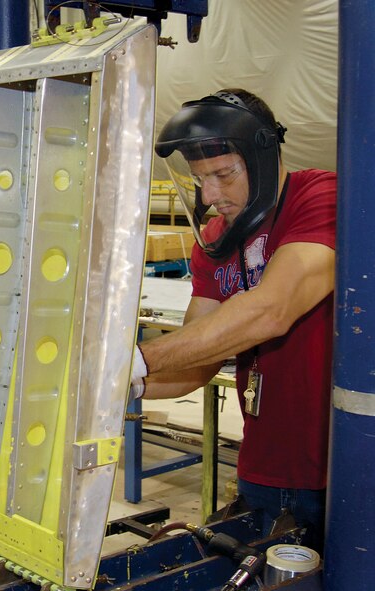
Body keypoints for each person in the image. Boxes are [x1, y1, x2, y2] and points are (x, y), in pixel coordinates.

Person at [130, 89, 336, 550]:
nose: (211, 194)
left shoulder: (318, 195)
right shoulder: (217, 239)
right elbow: (199, 357)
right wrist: (124, 385)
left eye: (224, 175)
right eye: (200, 178)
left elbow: (272, 308)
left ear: (262, 160)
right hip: (261, 467)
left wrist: (140, 358)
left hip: (336, 472)